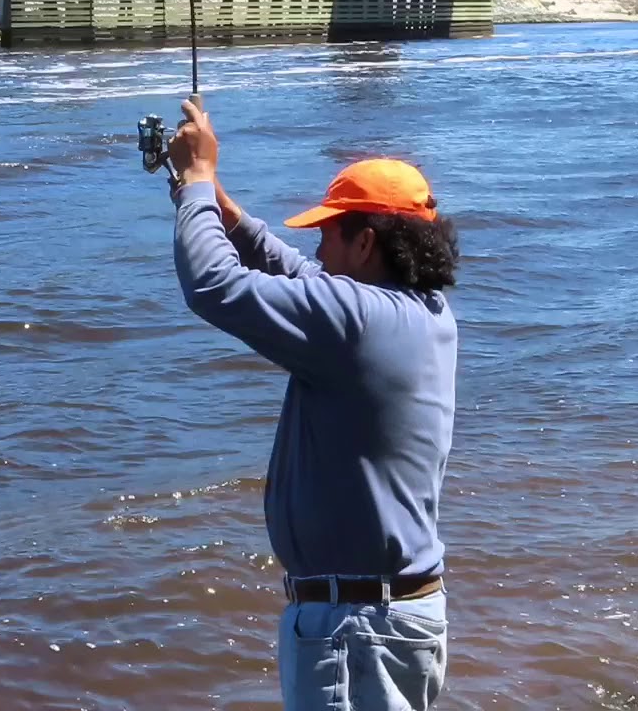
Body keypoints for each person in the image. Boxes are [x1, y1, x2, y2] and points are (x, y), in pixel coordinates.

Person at [167, 99, 460, 711]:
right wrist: (227, 212)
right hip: (391, 616)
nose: (320, 249)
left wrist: (196, 184)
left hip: (356, 629)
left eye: (329, 234)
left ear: (366, 243)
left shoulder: (356, 321)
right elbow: (303, 277)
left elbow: (214, 286)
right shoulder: (423, 315)